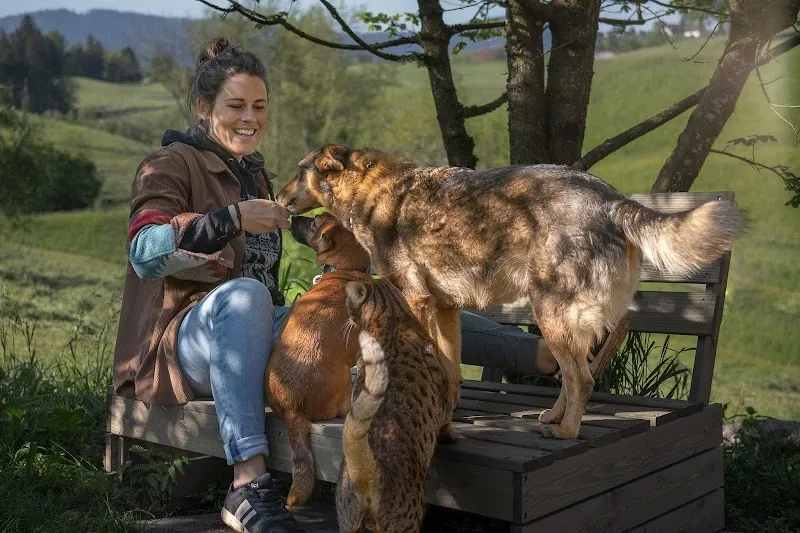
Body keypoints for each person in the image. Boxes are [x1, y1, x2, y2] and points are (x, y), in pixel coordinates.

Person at [112, 37, 556, 533]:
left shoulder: (253, 175)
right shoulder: (173, 163)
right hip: (180, 346)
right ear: (203, 108)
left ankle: (538, 357)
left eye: (259, 106)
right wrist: (231, 218)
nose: (250, 118)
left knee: (378, 300)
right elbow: (143, 251)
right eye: (235, 105)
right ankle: (248, 484)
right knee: (246, 295)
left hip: (256, 331)